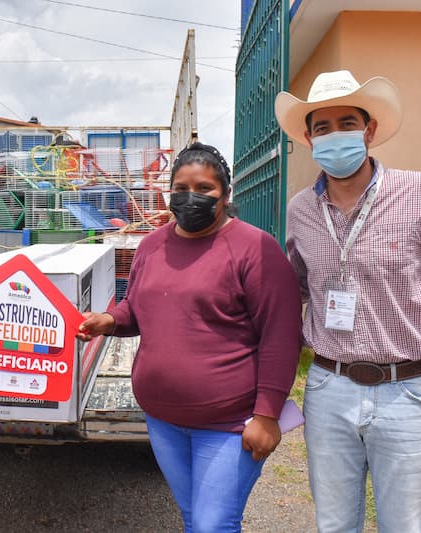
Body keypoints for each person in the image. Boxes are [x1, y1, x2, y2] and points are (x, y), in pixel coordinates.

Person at [276, 70, 421, 532]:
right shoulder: (300, 211)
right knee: (334, 525)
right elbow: (291, 296)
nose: (336, 136)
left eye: (347, 123)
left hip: (406, 391)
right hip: (328, 389)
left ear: (369, 130)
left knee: (407, 527)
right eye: (322, 127)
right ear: (310, 139)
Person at [78, 142, 302, 533]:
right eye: (180, 188)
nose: (190, 197)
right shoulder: (152, 246)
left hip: (230, 423)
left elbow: (280, 337)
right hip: (163, 420)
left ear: (226, 195)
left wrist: (267, 416)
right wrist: (108, 320)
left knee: (213, 525)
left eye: (204, 189)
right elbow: (140, 308)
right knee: (194, 519)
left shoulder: (255, 249)